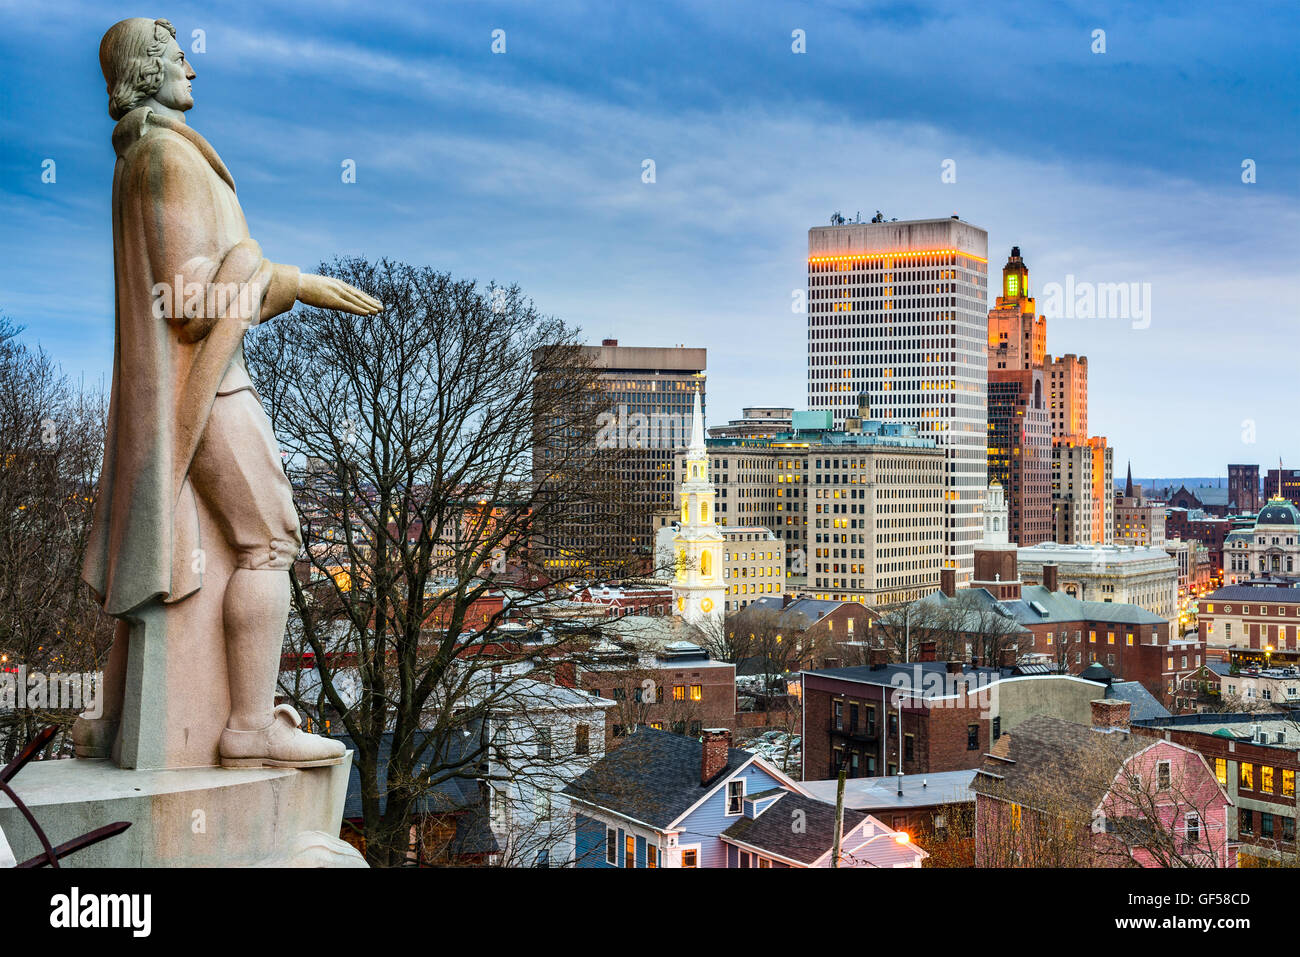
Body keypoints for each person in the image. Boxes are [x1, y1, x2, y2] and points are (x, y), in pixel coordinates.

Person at [80, 18, 382, 767]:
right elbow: (186, 300)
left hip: (182, 387)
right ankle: (249, 725)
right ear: (147, 72)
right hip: (207, 387)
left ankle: (113, 718)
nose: (193, 70)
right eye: (179, 57)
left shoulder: (147, 156)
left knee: (155, 549)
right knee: (271, 538)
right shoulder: (164, 158)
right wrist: (290, 280)